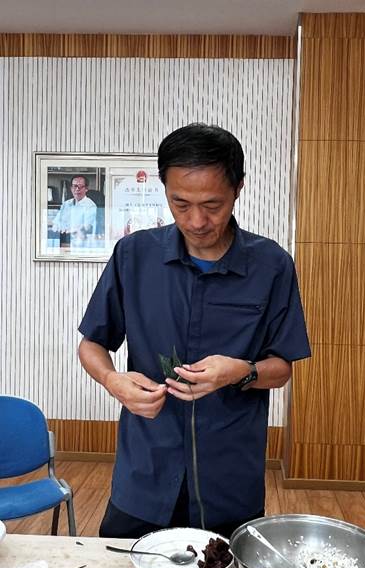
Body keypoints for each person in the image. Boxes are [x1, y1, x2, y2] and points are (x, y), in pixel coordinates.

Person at [78, 123, 311, 539]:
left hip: (229, 476)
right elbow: (92, 344)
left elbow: (281, 368)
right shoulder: (134, 255)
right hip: (145, 471)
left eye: (212, 205)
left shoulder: (271, 265)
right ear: (165, 190)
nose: (197, 221)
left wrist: (240, 371)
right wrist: (113, 381)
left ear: (238, 189)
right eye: (180, 204)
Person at [52, 175, 97, 245]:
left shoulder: (90, 206)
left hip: (80, 242)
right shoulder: (66, 204)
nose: (77, 189)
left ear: (86, 189)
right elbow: (56, 223)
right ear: (71, 188)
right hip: (63, 240)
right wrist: (57, 228)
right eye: (75, 186)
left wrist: (69, 230)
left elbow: (86, 227)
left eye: (80, 186)